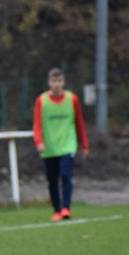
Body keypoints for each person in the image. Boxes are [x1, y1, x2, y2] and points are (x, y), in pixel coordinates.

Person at [32, 68, 89, 222]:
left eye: (59, 81)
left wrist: (84, 144)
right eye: (53, 81)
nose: (56, 84)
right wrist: (39, 141)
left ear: (63, 82)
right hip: (49, 148)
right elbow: (37, 124)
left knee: (65, 176)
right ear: (49, 82)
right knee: (52, 180)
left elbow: (79, 123)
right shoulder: (41, 101)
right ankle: (57, 210)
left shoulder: (72, 99)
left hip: (67, 146)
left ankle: (66, 208)